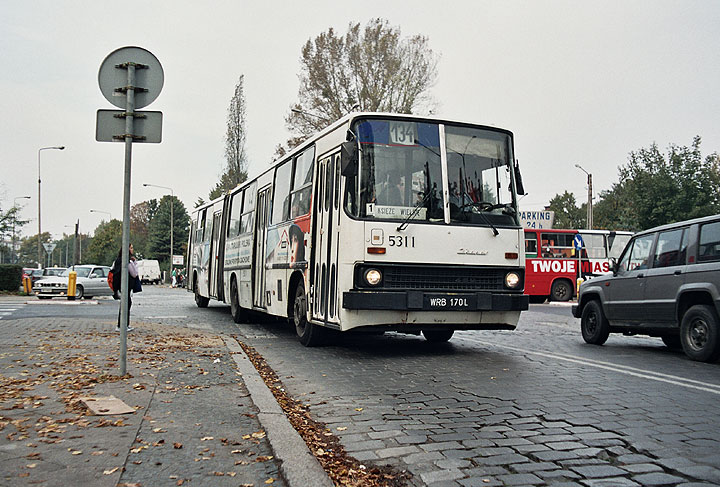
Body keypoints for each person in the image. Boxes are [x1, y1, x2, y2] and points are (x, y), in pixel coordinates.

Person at [113, 243, 138, 332]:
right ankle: (122, 325)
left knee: (125, 304)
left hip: (121, 286)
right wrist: (134, 263)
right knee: (126, 304)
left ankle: (123, 324)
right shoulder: (127, 261)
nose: (132, 249)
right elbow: (134, 274)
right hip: (125, 286)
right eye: (131, 248)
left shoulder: (118, 260)